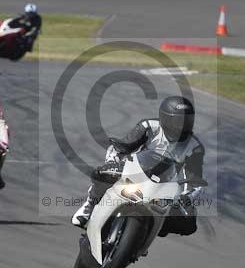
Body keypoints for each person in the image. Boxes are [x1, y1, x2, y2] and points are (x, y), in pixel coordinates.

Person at [71, 96, 205, 237]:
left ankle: (148, 231)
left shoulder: (194, 147)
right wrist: (114, 161)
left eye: (187, 122)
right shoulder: (149, 126)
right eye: (177, 122)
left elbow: (194, 179)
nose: (182, 127)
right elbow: (124, 145)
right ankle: (89, 208)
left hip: (165, 186)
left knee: (188, 223)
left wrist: (186, 197)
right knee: (104, 173)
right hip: (136, 170)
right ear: (165, 118)